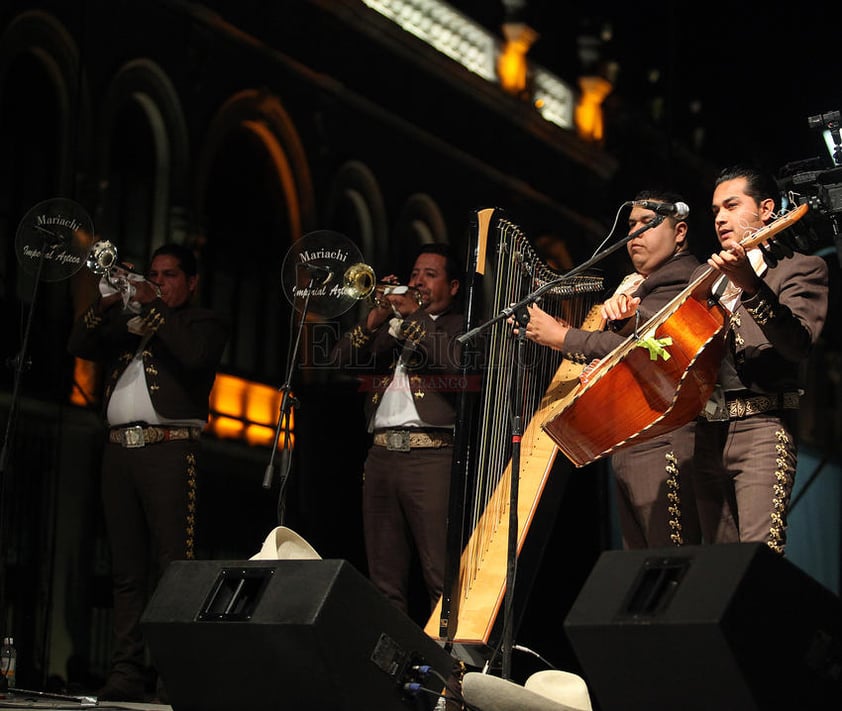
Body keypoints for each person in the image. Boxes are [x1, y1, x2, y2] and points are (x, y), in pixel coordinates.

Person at [68, 243, 228, 701]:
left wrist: (151, 301)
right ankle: (125, 674)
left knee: (175, 569)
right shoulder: (128, 324)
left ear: (192, 282)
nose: (159, 281)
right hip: (119, 452)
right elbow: (77, 344)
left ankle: (170, 675)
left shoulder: (203, 322)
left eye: (170, 275)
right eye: (154, 274)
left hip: (170, 451)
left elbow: (194, 356)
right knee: (126, 571)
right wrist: (108, 299)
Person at [514, 190, 702, 548]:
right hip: (635, 438)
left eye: (648, 223)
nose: (635, 234)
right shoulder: (641, 284)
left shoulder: (682, 278)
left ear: (680, 232)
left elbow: (644, 349)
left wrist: (562, 336)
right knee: (642, 564)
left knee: (671, 562)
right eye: (631, 225)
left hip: (663, 440)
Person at [692, 164, 829, 552]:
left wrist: (750, 286)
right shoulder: (704, 277)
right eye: (716, 210)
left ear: (766, 209)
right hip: (705, 435)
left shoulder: (800, 268)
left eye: (732, 206)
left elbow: (796, 345)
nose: (720, 218)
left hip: (762, 428)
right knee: (716, 571)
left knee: (758, 562)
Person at [333, 243, 463, 620]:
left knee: (439, 572)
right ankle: (393, 672)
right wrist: (373, 319)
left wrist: (412, 320)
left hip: (431, 456)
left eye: (430, 275)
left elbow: (455, 367)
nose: (418, 282)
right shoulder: (389, 329)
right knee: (383, 579)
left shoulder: (461, 325)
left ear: (453, 286)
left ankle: (452, 671)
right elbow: (339, 361)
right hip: (380, 456)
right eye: (414, 274)